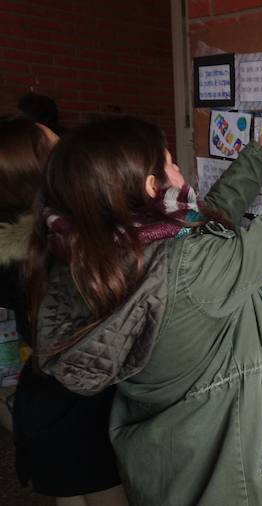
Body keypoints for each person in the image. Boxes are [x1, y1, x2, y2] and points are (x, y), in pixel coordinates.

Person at [27, 60, 262, 505]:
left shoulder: (93, 261)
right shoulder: (188, 269)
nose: (182, 176)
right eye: (172, 165)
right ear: (152, 187)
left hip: (168, 474)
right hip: (237, 484)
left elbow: (207, 219)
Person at [0, 116, 127, 505]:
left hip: (45, 408)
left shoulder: (18, 248)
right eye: (59, 148)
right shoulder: (65, 249)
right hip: (85, 414)